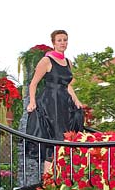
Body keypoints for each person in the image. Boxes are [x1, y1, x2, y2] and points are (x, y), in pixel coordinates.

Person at [25, 30, 84, 173]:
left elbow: (68, 85)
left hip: (65, 104)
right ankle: (48, 182)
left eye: (65, 40)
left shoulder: (69, 62)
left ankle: (60, 179)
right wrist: (32, 102)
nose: (63, 43)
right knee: (54, 140)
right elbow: (33, 83)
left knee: (66, 139)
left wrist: (76, 101)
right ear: (53, 43)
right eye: (59, 40)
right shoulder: (46, 60)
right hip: (51, 103)